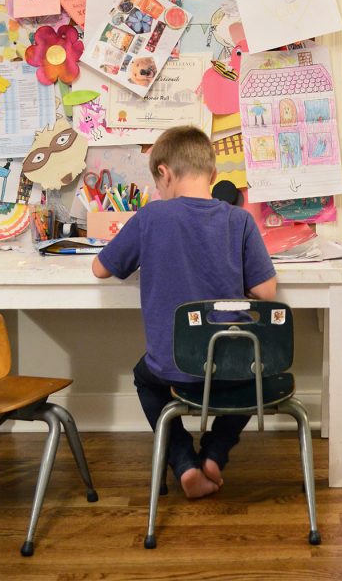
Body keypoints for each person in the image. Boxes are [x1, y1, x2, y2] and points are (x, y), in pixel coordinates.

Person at [92, 125, 277, 499]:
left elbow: (100, 269)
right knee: (256, 374)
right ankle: (215, 451)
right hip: (229, 365)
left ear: (164, 172)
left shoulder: (150, 217)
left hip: (173, 365)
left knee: (145, 377)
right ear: (212, 175)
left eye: (157, 183)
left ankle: (182, 461)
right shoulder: (238, 220)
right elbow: (266, 290)